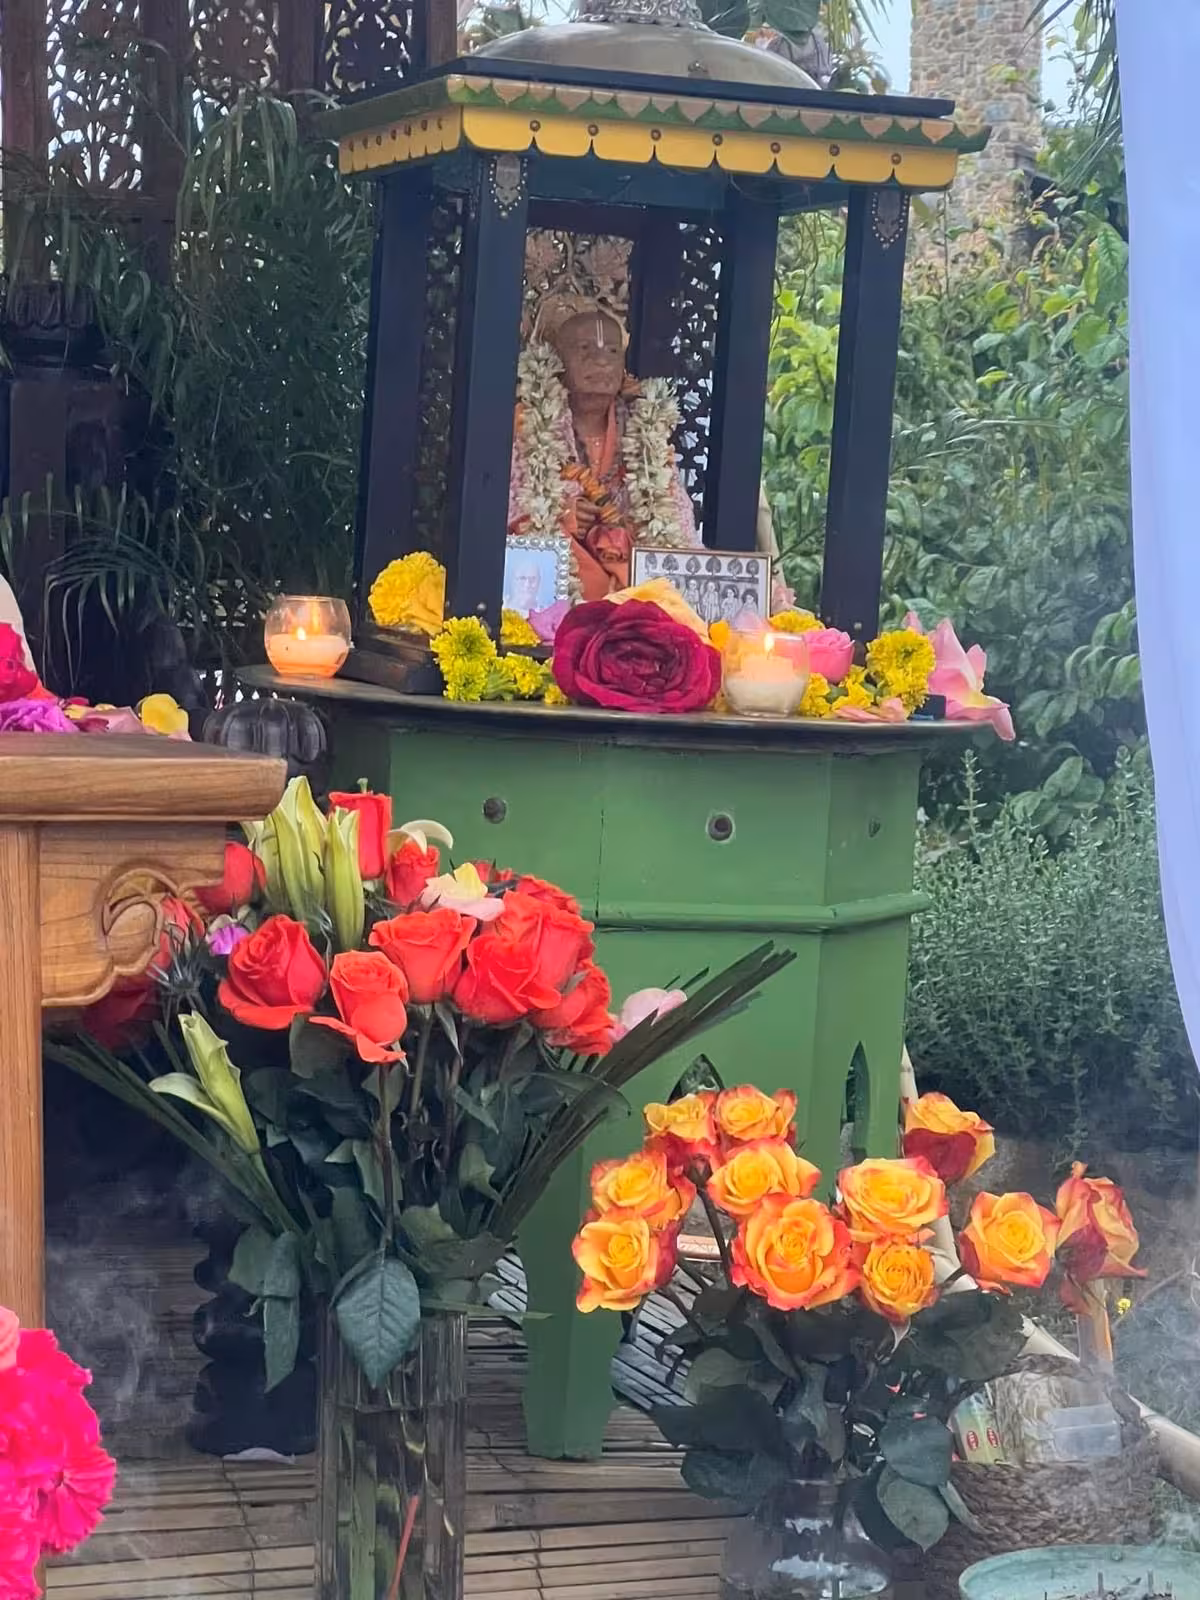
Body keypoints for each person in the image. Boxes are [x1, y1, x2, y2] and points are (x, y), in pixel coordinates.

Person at [509, 301, 700, 601]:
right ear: (558, 361)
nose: (601, 362)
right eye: (585, 349)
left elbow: (675, 515)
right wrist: (565, 513)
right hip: (557, 572)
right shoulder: (528, 420)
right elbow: (502, 503)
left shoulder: (645, 427)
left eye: (612, 352)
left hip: (627, 570)